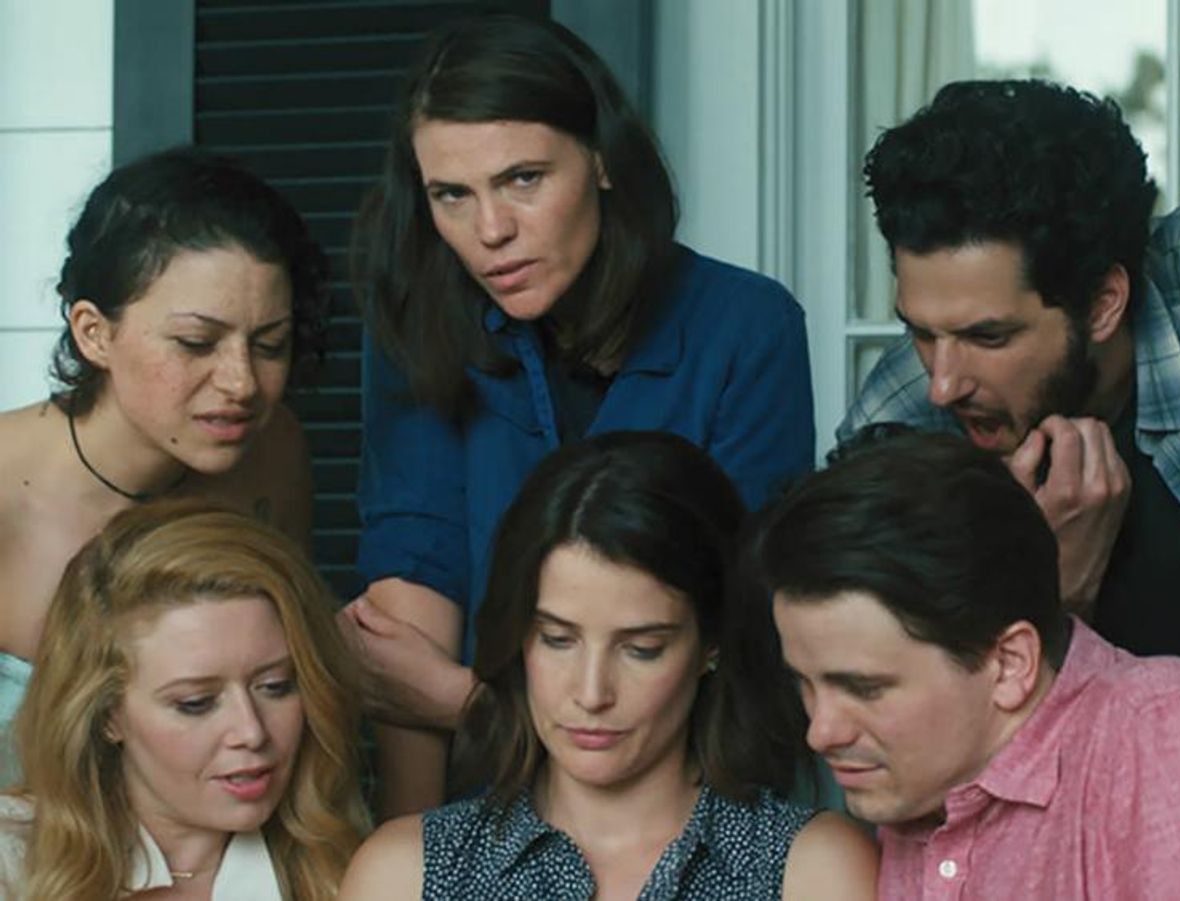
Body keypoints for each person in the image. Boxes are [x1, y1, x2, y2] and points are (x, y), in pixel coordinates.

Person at [343, 13, 816, 815]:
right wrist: (414, 851)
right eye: (452, 195)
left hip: (702, 799)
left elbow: (735, 642)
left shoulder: (747, 326)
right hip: (484, 801)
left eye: (524, 178)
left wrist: (463, 701)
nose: (491, 230)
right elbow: (404, 623)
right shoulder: (419, 326)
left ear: (600, 160)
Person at [339, 432, 876, 900]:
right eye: (557, 640)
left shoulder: (811, 871)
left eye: (642, 649)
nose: (592, 693)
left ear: (711, 643)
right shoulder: (405, 877)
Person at [749, 430, 1180, 900]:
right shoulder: (924, 780)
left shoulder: (1157, 734)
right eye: (804, 684)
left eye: (865, 689)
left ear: (1009, 664)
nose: (821, 733)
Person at [838, 78, 1180, 659]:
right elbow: (886, 693)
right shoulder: (900, 427)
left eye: (988, 337)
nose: (942, 385)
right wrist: (1053, 594)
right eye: (921, 333)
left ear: (1103, 304)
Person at [0, 146, 326, 784]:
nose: (241, 383)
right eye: (196, 343)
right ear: (94, 333)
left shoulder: (273, 452)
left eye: (270, 345)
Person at [0, 500, 367, 899]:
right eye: (196, 703)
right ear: (107, 714)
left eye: (276, 686)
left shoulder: (358, 874)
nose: (251, 732)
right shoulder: (11, 860)